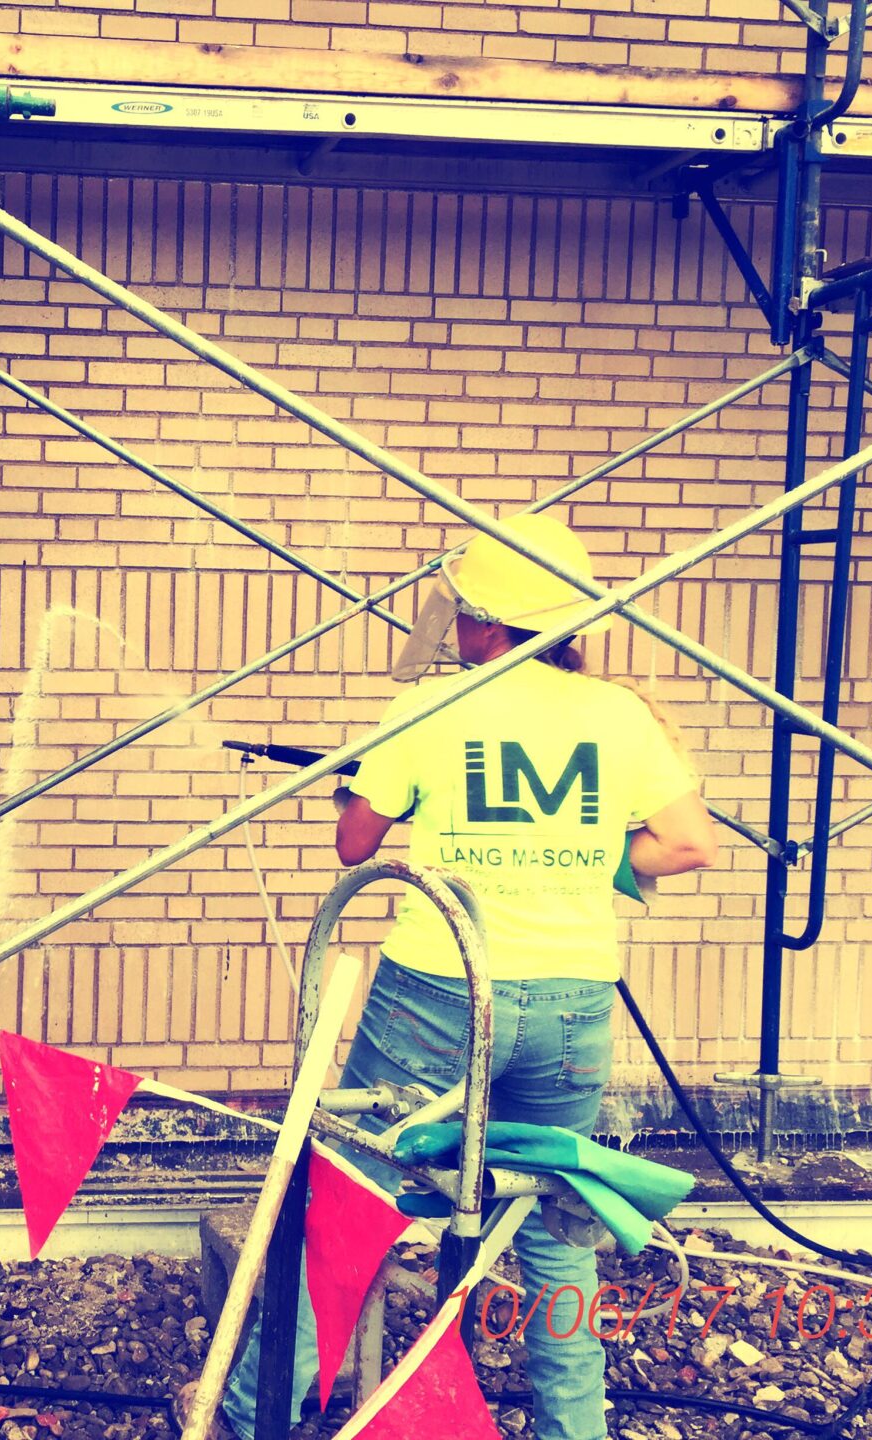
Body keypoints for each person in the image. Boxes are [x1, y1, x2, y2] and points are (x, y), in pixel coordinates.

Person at [198, 513, 719, 1440]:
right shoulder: (619, 714)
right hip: (571, 1003)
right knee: (557, 1222)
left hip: (440, 991)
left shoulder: (432, 706)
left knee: (353, 1205)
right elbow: (686, 843)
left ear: (484, 621)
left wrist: (370, 786)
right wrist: (577, 859)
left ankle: (251, 1421)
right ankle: (574, 1431)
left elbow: (355, 843)